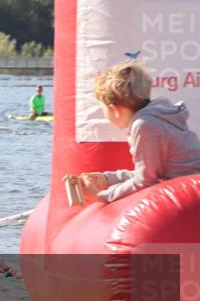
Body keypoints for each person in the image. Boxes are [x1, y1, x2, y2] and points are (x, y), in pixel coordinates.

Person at [76, 61, 200, 203]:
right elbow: (148, 174)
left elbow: (145, 181)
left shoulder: (144, 125)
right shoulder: (155, 116)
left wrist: (102, 196)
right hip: (190, 186)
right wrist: (107, 178)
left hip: (190, 195)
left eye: (103, 109)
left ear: (114, 109)